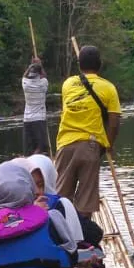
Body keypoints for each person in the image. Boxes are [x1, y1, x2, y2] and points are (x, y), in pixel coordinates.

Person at [55, 44, 121, 217]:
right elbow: (114, 123)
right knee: (85, 201)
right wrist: (108, 145)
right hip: (90, 146)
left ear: (79, 64)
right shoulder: (108, 88)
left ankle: (62, 234)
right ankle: (83, 236)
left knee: (61, 197)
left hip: (64, 145)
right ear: (100, 65)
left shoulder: (67, 84)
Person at [22, 58, 50, 155]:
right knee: (41, 147)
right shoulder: (43, 83)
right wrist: (40, 65)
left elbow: (24, 75)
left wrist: (31, 66)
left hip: (27, 120)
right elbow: (44, 76)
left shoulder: (25, 83)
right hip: (39, 119)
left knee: (29, 149)